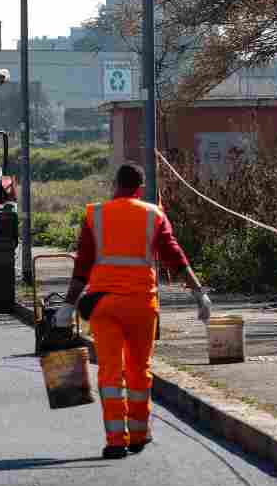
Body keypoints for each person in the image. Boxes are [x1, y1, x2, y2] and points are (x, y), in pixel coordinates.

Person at [55, 162, 211, 460]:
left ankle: (116, 441)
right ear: (140, 188)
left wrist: (68, 304)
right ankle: (139, 435)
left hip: (105, 307)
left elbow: (82, 265)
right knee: (139, 371)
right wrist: (198, 293)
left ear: (115, 185)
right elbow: (174, 256)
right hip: (142, 307)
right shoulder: (154, 215)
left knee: (110, 373)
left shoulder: (96, 215)